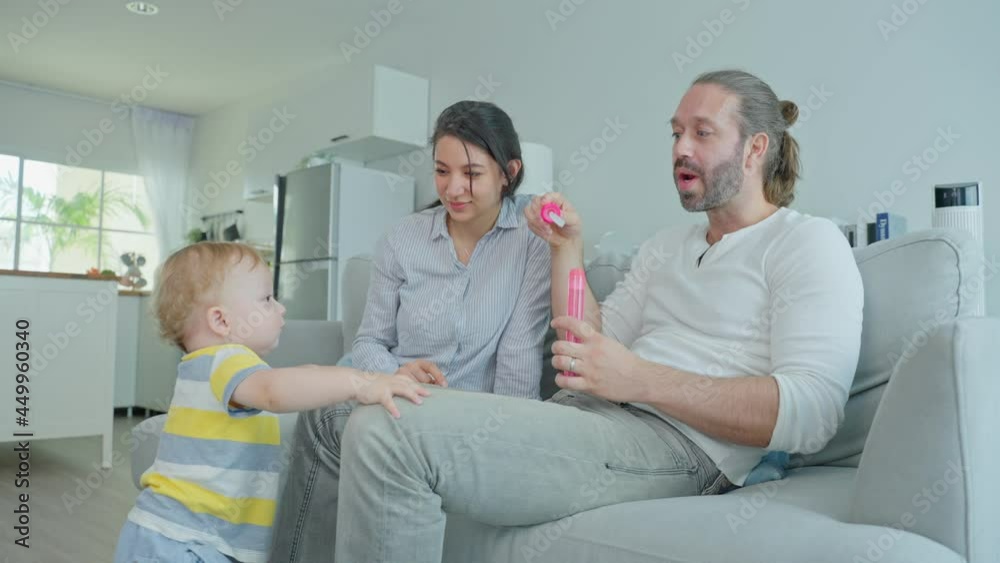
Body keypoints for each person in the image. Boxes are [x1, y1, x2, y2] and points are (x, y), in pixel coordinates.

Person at [272, 69, 864, 563]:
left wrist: (641, 380)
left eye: (702, 133)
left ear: (756, 148)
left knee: (386, 429)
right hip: (590, 416)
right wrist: (567, 249)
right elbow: (587, 340)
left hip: (680, 447)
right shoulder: (666, 246)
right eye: (677, 132)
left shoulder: (806, 243)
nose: (681, 148)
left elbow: (812, 413)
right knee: (335, 420)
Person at [113, 242, 428, 563]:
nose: (281, 308)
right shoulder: (226, 359)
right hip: (183, 543)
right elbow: (274, 391)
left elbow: (302, 376)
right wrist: (361, 384)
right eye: (266, 299)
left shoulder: (207, 365)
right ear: (221, 321)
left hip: (180, 538)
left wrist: (375, 373)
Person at [351, 100, 552, 399]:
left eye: (471, 174)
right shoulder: (401, 239)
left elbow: (519, 350)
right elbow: (369, 342)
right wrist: (396, 376)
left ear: (508, 172)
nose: (453, 189)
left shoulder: (531, 234)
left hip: (469, 417)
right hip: (397, 398)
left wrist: (510, 431)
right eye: (442, 171)